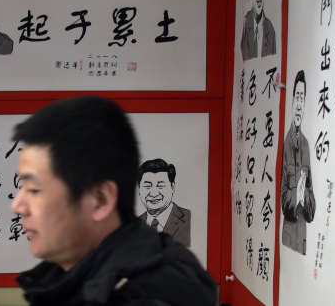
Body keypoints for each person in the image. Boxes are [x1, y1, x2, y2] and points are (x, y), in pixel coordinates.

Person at [11, 96, 215, 306]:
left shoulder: (151, 293)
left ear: (100, 200)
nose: (17, 206)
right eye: (22, 187)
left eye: (34, 189)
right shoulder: (77, 272)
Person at [281, 70, 315, 255]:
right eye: (297, 97)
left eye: (303, 98)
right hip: (288, 236)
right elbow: (282, 199)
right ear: (292, 101)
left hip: (302, 238)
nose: (300, 104)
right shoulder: (285, 143)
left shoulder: (306, 145)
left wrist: (305, 195)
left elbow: (311, 210)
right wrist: (298, 194)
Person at [138, 158, 191, 247]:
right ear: (139, 189)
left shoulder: (188, 218)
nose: (153, 193)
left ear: (172, 187)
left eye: (160, 186)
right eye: (147, 186)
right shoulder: (135, 226)